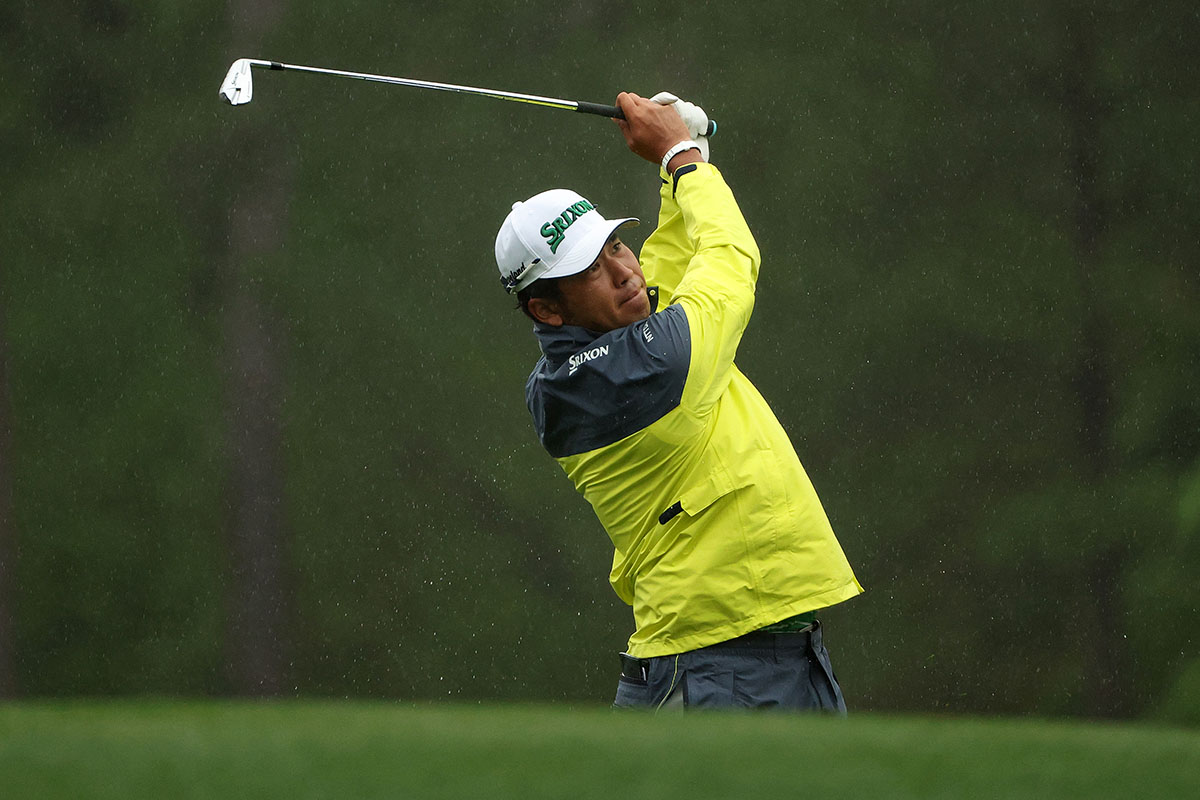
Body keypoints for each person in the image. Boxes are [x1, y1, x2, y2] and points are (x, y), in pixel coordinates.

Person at [494, 92, 863, 710]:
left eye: (615, 245)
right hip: (714, 666)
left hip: (766, 649)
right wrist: (683, 159)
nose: (623, 271)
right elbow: (728, 265)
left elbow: (663, 270)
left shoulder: (608, 351)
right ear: (547, 309)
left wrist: (675, 177)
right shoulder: (630, 372)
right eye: (590, 270)